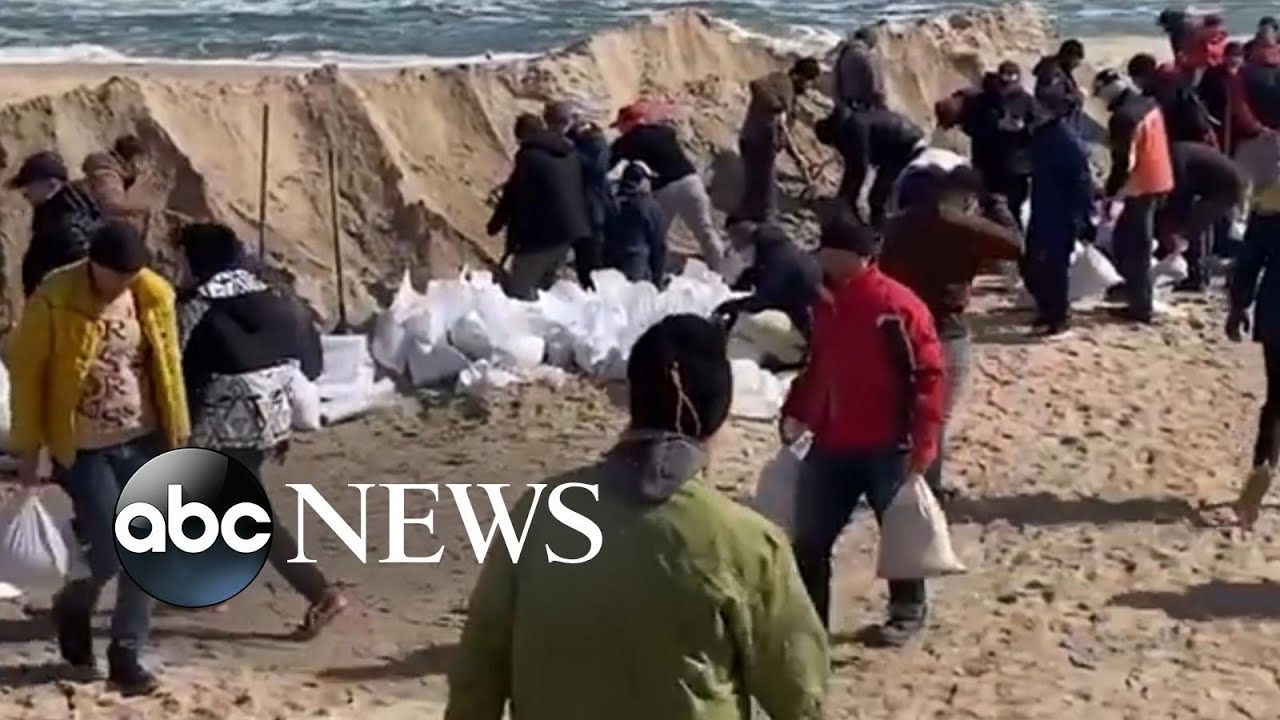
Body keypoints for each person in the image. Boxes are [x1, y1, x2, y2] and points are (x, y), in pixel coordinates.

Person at [444, 314, 830, 720]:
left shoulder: (539, 513)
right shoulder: (749, 544)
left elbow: (479, 670)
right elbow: (800, 696)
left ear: (633, 400)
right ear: (721, 413)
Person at [8, 220, 189, 696]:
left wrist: (178, 434)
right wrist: (29, 450)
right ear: (94, 265)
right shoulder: (55, 297)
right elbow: (27, 377)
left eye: (131, 277)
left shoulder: (153, 296)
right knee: (107, 554)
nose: (122, 287)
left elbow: (168, 371)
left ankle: (126, 655)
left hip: (144, 438)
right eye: (115, 277)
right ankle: (73, 609)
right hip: (85, 449)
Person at [174, 222, 350, 639]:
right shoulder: (271, 292)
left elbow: (175, 365)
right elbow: (310, 359)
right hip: (269, 417)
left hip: (219, 419)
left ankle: (320, 592)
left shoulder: (198, 303)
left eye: (181, 258)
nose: (177, 267)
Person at [781, 214, 944, 646]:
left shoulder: (896, 307)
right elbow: (818, 368)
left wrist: (924, 444)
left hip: (887, 445)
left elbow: (928, 377)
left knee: (900, 531)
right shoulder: (826, 304)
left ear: (854, 256)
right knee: (811, 537)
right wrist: (797, 412)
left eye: (829, 252)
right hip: (832, 443)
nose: (822, 259)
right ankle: (810, 620)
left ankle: (907, 610)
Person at [878, 167, 1020, 500]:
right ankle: (927, 485)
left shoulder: (897, 225)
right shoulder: (959, 224)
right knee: (935, 412)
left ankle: (899, 480)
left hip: (901, 326)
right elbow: (1014, 245)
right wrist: (997, 203)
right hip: (945, 329)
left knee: (902, 408)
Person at [1094, 69, 1175, 323]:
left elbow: (1123, 163)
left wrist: (1110, 194)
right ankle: (1135, 295)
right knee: (1127, 242)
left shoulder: (1124, 117)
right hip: (1160, 179)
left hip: (1141, 187)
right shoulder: (1148, 103)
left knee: (1134, 249)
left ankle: (1141, 307)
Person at [487, 109, 592, 300]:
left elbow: (514, 196)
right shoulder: (569, 151)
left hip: (543, 235)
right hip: (570, 231)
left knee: (518, 292)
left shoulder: (528, 157)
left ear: (522, 136)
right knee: (545, 293)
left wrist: (496, 225)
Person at [609, 103, 726, 270]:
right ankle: (721, 272)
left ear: (629, 123)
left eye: (620, 126)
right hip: (691, 181)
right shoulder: (664, 132)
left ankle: (655, 272)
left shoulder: (628, 140)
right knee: (705, 230)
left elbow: (607, 163)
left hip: (667, 189)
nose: (619, 130)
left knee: (657, 234)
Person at [1228, 176, 1280, 529]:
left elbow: (1247, 265)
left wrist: (1238, 308)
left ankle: (1263, 468)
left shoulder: (1270, 202)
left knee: (1276, 400)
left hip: (1276, 316)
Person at [1025, 96, 1096, 336]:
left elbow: (1083, 183)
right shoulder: (1043, 137)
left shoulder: (1066, 142)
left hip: (1061, 214)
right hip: (1042, 209)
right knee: (1038, 262)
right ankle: (1046, 310)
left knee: (1055, 266)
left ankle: (1058, 316)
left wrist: (1087, 217)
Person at [736, 57, 822, 223]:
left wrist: (798, 158)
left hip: (759, 144)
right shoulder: (782, 83)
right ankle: (762, 226)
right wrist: (776, 107)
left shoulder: (788, 91)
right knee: (766, 198)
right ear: (799, 77)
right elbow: (757, 85)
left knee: (755, 192)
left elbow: (783, 132)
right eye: (809, 82)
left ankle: (744, 221)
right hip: (758, 144)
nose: (809, 87)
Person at [6, 150, 101, 297]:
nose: (24, 192)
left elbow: (79, 282)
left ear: (51, 185)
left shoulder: (66, 228)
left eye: (29, 184)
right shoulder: (58, 216)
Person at [713, 220, 822, 341]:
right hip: (798, 303)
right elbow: (755, 276)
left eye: (739, 248)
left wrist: (729, 307)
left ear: (750, 244)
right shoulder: (772, 249)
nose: (739, 253)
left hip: (806, 314)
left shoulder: (777, 259)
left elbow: (765, 299)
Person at [818, 103, 925, 226]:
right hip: (902, 143)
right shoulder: (854, 119)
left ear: (832, 134)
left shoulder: (853, 129)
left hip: (905, 147)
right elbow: (853, 168)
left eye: (832, 143)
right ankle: (876, 226)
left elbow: (859, 169)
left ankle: (879, 232)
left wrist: (846, 200)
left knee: (877, 198)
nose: (835, 147)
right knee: (878, 194)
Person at [960, 63, 1039, 225]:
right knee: (985, 210)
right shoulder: (982, 100)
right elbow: (968, 126)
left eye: (1010, 84)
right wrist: (995, 126)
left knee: (1013, 212)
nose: (1006, 88)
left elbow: (1039, 128)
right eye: (1003, 83)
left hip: (1016, 169)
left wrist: (1022, 129)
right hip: (987, 165)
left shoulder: (1027, 102)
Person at [1163, 142, 1247, 291]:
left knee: (1191, 231)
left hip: (1226, 188)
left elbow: (1181, 193)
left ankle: (1197, 278)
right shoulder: (1179, 151)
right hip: (1228, 183)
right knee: (1201, 229)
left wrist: (1175, 223)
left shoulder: (1175, 159)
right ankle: (1204, 275)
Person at [547, 101, 610, 289]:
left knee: (591, 268)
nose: (557, 128)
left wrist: (567, 149)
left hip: (590, 211)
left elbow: (595, 169)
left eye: (560, 122)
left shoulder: (594, 140)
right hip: (569, 210)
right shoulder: (569, 141)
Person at [603, 162, 666, 285]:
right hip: (636, 271)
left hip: (607, 271)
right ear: (643, 181)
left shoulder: (610, 203)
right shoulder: (650, 206)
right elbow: (659, 246)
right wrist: (657, 280)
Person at [82, 134, 150, 235]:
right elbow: (110, 207)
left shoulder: (104, 167)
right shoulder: (109, 175)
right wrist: (140, 210)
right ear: (133, 160)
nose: (141, 167)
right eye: (140, 161)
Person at [1034, 40, 1087, 132]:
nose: (1077, 64)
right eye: (1076, 60)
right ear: (1068, 56)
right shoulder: (1052, 71)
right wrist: (1074, 96)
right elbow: (1046, 95)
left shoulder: (1060, 68)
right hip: (1052, 123)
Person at [832, 26, 885, 111]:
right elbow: (875, 87)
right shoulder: (868, 56)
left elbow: (836, 84)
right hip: (865, 108)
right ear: (869, 40)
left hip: (846, 107)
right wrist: (882, 107)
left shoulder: (843, 55)